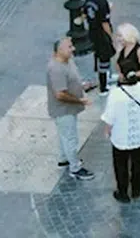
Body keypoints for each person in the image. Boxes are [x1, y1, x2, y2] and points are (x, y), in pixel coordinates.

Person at [101, 75, 140, 203]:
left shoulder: (115, 93)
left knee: (120, 164)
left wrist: (107, 131)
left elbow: (110, 117)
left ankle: (122, 192)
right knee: (139, 162)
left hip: (120, 136)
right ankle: (136, 189)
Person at [47, 36, 95, 180]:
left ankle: (64, 159)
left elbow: (71, 80)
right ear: (59, 50)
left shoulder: (68, 61)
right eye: (69, 47)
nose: (73, 49)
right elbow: (60, 94)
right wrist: (79, 100)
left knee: (65, 136)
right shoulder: (56, 69)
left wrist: (82, 86)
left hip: (68, 109)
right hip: (63, 110)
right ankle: (75, 167)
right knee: (70, 138)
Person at [83, 0, 115, 93]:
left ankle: (107, 76)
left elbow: (85, 13)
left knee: (100, 55)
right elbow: (104, 23)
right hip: (102, 35)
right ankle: (104, 86)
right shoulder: (103, 3)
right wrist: (111, 36)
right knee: (104, 58)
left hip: (93, 31)